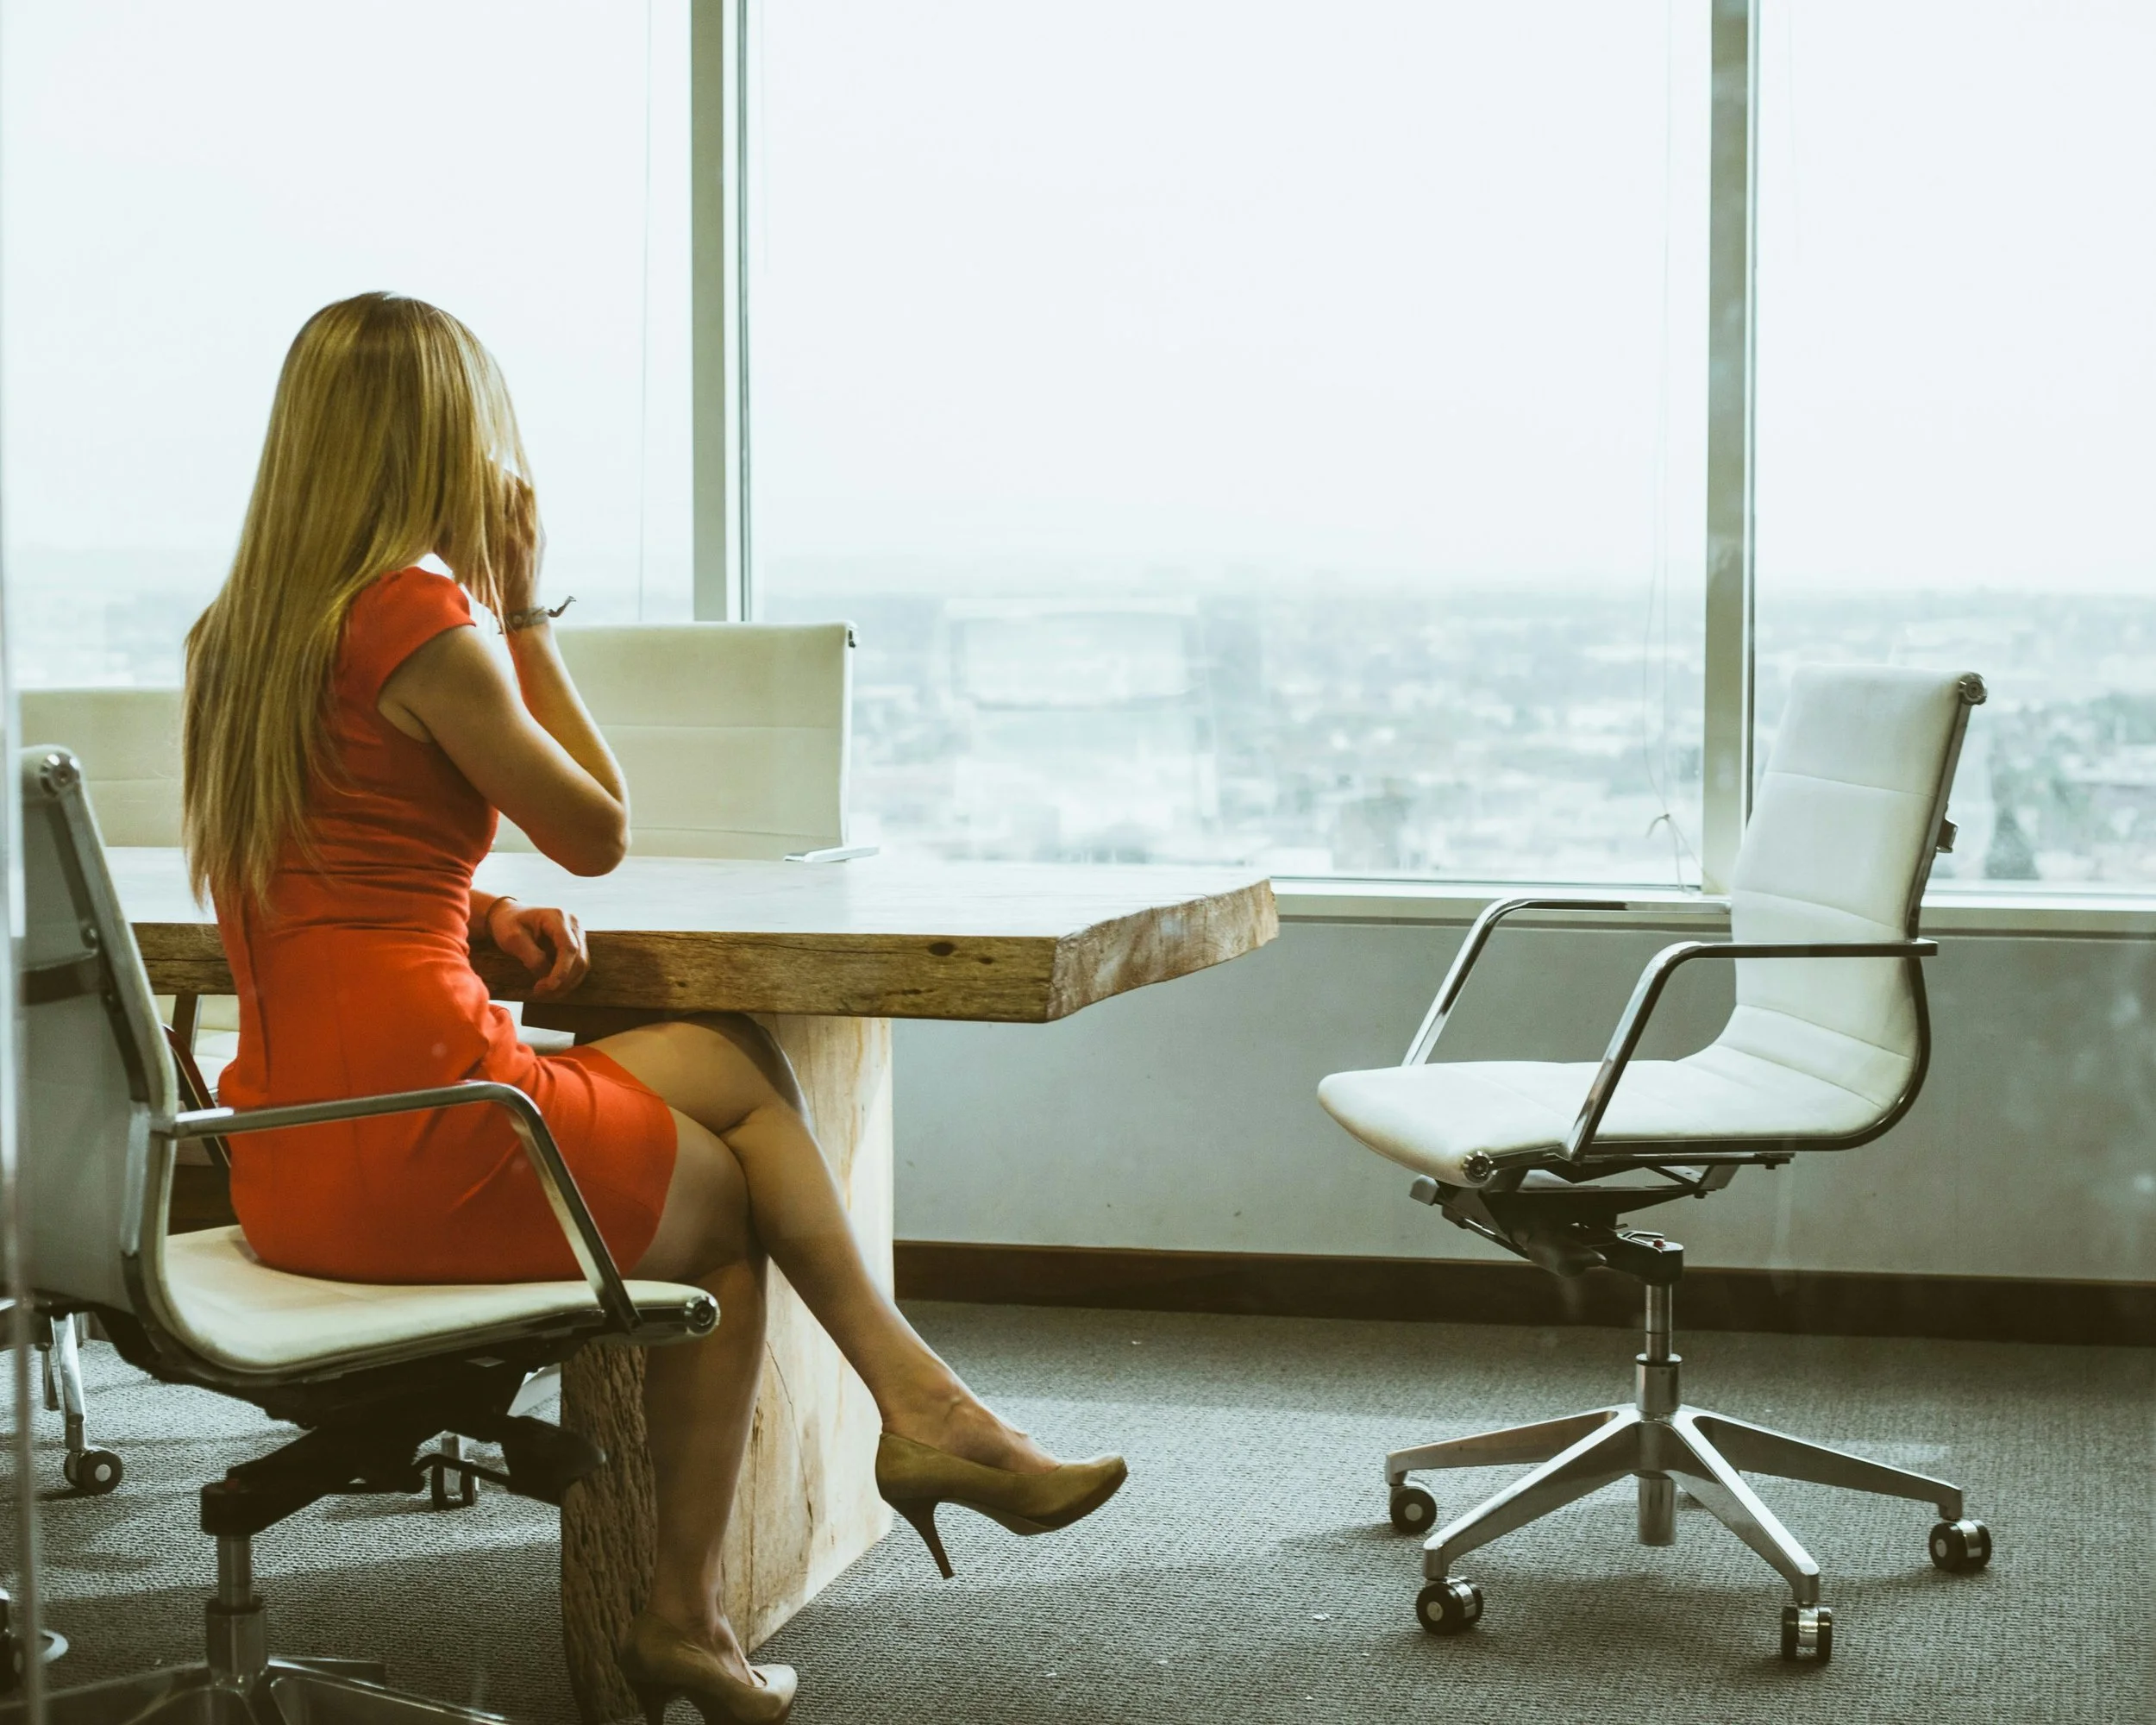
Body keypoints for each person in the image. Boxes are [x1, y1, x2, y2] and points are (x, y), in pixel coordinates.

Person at [180, 292, 1125, 1725]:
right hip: (435, 1130)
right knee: (733, 1213)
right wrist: (519, 611)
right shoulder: (422, 617)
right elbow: (598, 830)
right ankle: (695, 1609)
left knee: (732, 1066)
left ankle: (924, 1413)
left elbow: (310, 875)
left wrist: (476, 918)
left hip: (291, 1145)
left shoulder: (230, 638)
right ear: (444, 437)